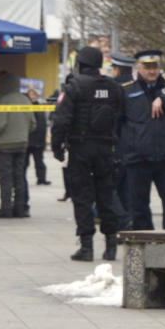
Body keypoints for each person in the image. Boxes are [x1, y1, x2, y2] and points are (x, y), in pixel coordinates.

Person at [52, 46, 125, 260]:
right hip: (106, 149)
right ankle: (110, 245)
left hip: (81, 149)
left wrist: (57, 148)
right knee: (106, 196)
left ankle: (86, 247)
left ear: (80, 64)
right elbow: (121, 115)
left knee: (82, 197)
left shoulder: (74, 86)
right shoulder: (114, 87)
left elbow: (61, 120)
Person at [118, 50, 165, 231]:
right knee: (139, 206)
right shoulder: (127, 91)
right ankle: (144, 242)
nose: (152, 71)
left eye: (155, 67)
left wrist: (163, 99)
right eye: (147, 67)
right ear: (139, 68)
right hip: (137, 159)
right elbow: (118, 123)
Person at [0, 72, 33, 218]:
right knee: (19, 176)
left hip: (4, 145)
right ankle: (20, 208)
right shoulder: (26, 100)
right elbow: (33, 124)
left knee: (6, 177)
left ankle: (5, 208)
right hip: (22, 144)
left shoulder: (3, 100)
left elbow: (0, 124)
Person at [109, 52, 135, 229]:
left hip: (116, 144)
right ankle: (128, 223)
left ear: (117, 70)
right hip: (134, 145)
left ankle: (123, 221)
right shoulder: (136, 87)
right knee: (126, 189)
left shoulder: (114, 88)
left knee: (107, 187)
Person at [25, 88, 50, 186]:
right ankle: (20, 179)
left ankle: (41, 179)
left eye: (34, 94)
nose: (32, 96)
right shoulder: (24, 107)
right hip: (27, 139)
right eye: (31, 94)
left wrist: (43, 140)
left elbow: (43, 124)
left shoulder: (40, 107)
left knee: (39, 161)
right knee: (24, 163)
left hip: (38, 139)